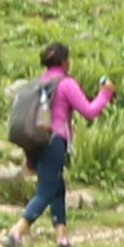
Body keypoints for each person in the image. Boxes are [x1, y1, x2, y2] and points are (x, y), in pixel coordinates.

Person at [8, 40, 115, 231]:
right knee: (46, 190)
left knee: (58, 187)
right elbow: (89, 111)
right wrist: (105, 93)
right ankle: (17, 231)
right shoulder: (66, 84)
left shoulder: (39, 83)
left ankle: (61, 238)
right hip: (55, 141)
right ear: (65, 61)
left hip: (36, 141)